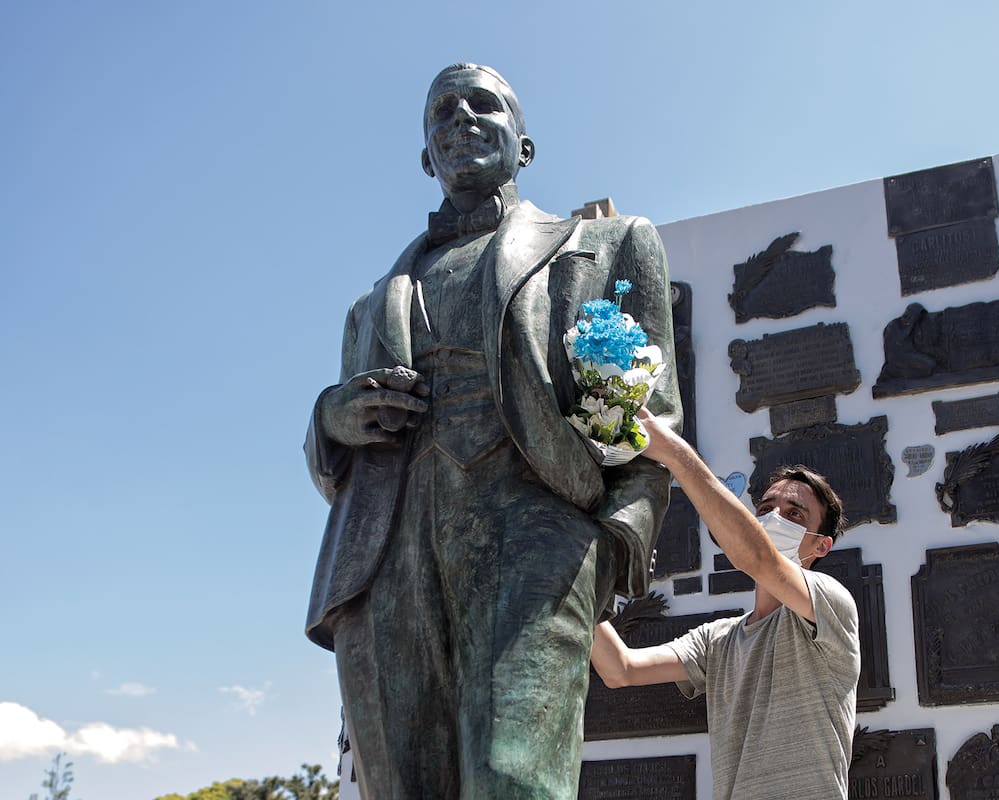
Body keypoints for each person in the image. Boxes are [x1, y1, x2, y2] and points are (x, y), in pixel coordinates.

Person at [303, 63, 681, 799]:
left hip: (536, 526)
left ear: (524, 145)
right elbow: (334, 475)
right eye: (442, 112)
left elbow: (649, 418)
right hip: (387, 553)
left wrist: (614, 540)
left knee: (514, 777)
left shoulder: (608, 245)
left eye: (483, 105)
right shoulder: (367, 308)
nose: (461, 120)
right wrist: (332, 419)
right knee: (400, 785)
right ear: (426, 158)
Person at [591, 410, 860, 800]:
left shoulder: (832, 602)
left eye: (794, 514)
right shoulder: (718, 640)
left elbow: (756, 557)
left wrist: (673, 452)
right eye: (765, 510)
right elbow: (620, 669)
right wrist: (581, 576)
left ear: (821, 546)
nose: (774, 518)